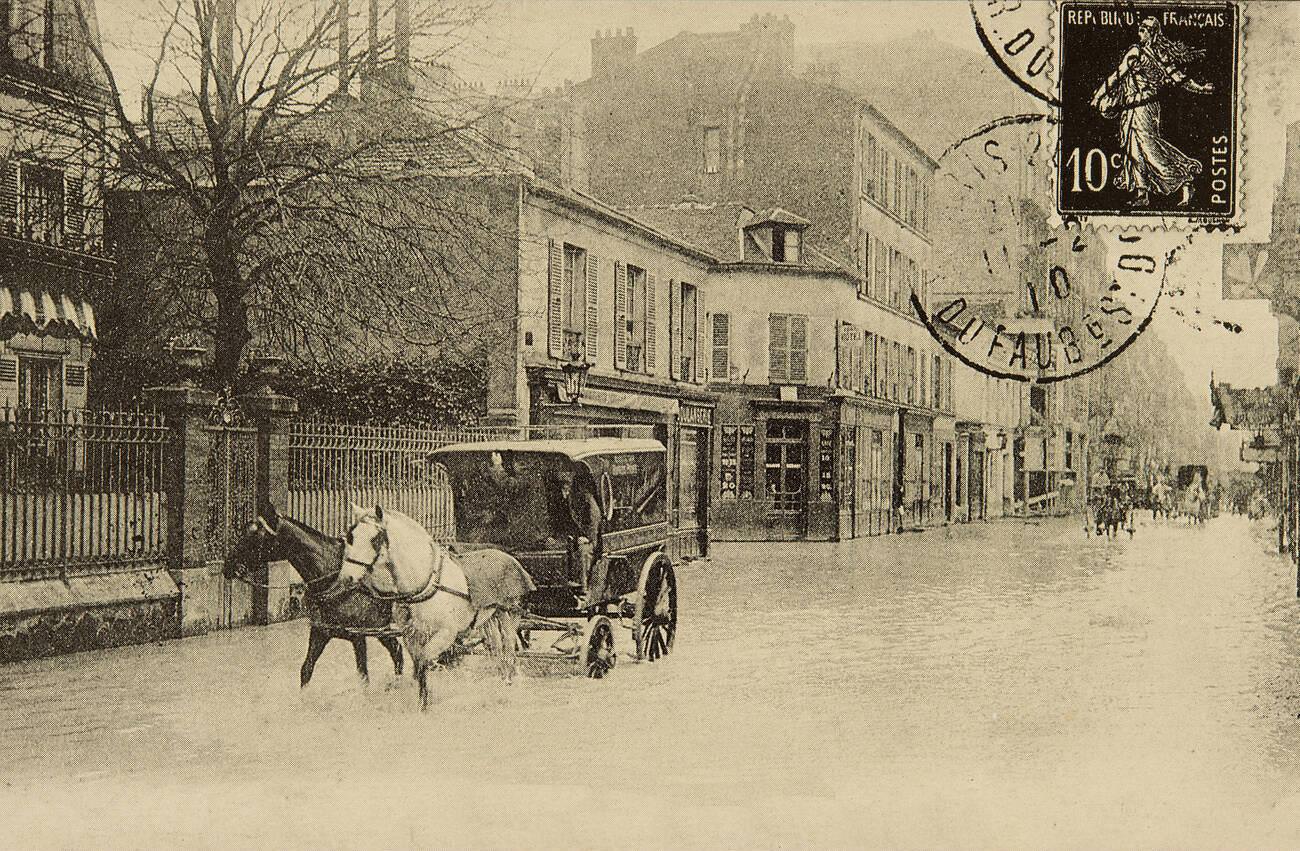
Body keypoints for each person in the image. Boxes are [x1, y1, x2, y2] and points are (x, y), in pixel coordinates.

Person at [1089, 16, 1216, 208]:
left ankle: (1183, 178)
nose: (1140, 31)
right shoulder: (1138, 52)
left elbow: (1180, 79)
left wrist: (1201, 88)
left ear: (1153, 32)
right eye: (1140, 28)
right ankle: (1142, 193)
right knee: (1133, 149)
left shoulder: (1154, 55)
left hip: (1145, 108)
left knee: (1149, 148)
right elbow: (1117, 74)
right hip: (1132, 107)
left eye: (1144, 29)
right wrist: (1099, 95)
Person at [548, 469, 604, 609]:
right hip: (573, 538)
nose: (565, 492)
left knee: (583, 551)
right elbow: (562, 523)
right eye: (563, 488)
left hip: (590, 540)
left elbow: (595, 518)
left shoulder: (585, 498)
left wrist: (588, 538)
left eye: (567, 488)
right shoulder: (561, 500)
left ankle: (584, 590)